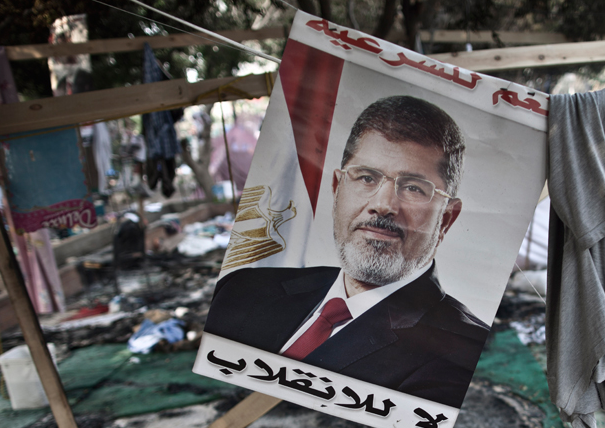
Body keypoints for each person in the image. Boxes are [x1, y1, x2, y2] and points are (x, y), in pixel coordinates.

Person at [204, 95, 488, 408]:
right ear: (337, 189)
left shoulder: (465, 355)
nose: (383, 205)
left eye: (413, 188)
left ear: (446, 218)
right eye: (367, 177)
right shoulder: (242, 289)